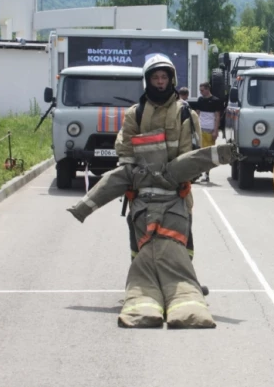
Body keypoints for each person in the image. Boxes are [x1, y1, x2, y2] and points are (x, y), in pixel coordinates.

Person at [68, 130, 239, 328]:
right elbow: (197, 159)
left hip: (143, 219)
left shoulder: (133, 169)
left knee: (142, 268)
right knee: (180, 262)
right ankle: (185, 298)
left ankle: (144, 301)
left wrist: (81, 209)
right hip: (175, 217)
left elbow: (108, 185)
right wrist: (228, 152)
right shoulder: (174, 168)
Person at [115, 54, 202, 260]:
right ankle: (141, 279)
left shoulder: (186, 113)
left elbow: (191, 153)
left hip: (177, 190)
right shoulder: (134, 114)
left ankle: (185, 278)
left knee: (183, 233)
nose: (160, 82)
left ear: (172, 79)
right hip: (142, 190)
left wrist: (186, 179)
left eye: (164, 77)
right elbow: (126, 150)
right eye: (156, 78)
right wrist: (128, 183)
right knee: (136, 231)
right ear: (148, 80)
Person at [194, 82, 223, 182]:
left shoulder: (216, 101)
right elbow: (197, 114)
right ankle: (198, 173)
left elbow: (217, 116)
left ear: (207, 89)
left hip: (210, 130)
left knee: (208, 154)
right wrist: (194, 127)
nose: (201, 92)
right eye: (200, 90)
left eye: (202, 90)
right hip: (200, 129)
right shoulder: (200, 100)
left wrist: (216, 131)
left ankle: (206, 174)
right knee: (199, 152)